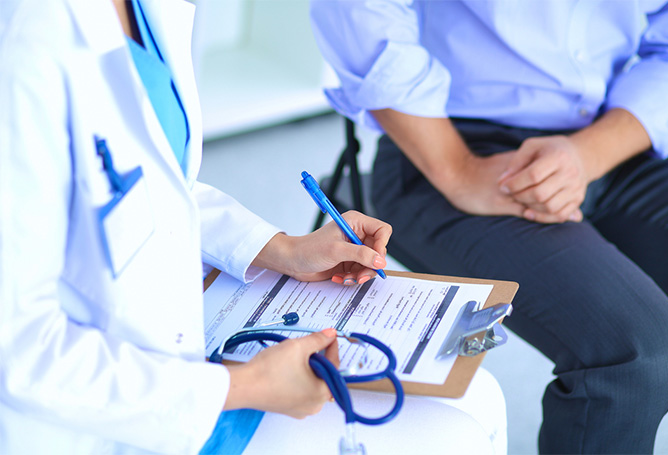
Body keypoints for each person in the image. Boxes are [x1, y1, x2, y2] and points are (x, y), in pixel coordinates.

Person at [0, 0, 506, 454]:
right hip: (108, 417)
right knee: (456, 437)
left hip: (180, 350)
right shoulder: (25, 45)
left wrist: (282, 248)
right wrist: (242, 388)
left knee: (481, 395)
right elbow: (18, 356)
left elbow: (154, 183)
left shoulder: (149, 10)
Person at [310, 0, 668, 453]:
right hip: (454, 142)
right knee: (635, 349)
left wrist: (588, 155)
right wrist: (455, 170)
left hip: (616, 131)